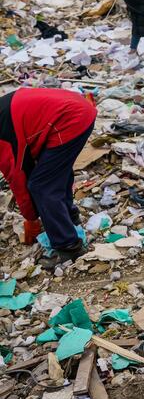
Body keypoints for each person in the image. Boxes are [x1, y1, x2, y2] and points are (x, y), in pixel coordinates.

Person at [0, 88, 97, 268]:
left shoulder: (2, 134)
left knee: (42, 185)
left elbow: (17, 175)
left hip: (71, 119)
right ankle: (70, 218)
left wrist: (31, 218)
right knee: (54, 172)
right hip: (76, 110)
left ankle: (69, 247)